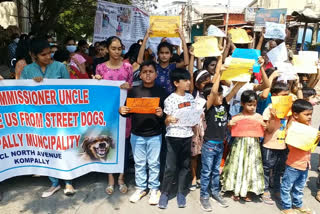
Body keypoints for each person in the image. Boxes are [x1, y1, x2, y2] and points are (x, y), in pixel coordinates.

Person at [20, 39, 73, 197]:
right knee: (48, 148)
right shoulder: (28, 71)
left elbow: (70, 90)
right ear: (34, 56)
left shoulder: (60, 67)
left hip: (60, 115)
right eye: (43, 54)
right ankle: (54, 182)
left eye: (49, 53)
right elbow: (20, 93)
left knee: (64, 146)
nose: (48, 57)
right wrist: (32, 84)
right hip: (39, 118)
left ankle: (69, 181)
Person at [199, 58, 247, 211]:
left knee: (215, 170)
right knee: (206, 171)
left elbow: (236, 88)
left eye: (221, 94)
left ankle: (214, 192)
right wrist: (219, 73)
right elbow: (213, 91)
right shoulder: (208, 107)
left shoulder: (224, 104)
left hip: (220, 143)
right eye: (218, 95)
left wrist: (245, 74)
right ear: (209, 98)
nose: (220, 96)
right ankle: (204, 196)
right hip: (209, 145)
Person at [119, 61, 166, 205]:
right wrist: (122, 111)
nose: (147, 74)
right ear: (140, 74)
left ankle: (154, 188)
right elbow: (127, 111)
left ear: (156, 74)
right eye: (144, 71)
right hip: (136, 134)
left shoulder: (161, 92)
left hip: (155, 134)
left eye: (151, 71)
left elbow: (167, 116)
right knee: (139, 163)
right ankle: (140, 188)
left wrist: (161, 114)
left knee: (153, 163)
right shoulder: (134, 91)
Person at [94, 36, 133, 195]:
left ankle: (121, 178)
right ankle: (110, 177)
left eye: (119, 48)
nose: (117, 52)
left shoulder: (128, 67)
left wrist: (128, 87)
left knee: (123, 145)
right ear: (107, 49)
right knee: (108, 144)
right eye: (113, 48)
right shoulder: (100, 68)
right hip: (108, 114)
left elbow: (131, 88)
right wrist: (96, 81)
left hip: (125, 112)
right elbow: (97, 92)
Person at [158, 68, 194, 209]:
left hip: (187, 136)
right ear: (176, 83)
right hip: (173, 137)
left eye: (188, 79)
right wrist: (170, 119)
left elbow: (193, 116)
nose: (188, 82)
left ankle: (181, 193)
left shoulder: (190, 98)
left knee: (185, 166)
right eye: (185, 80)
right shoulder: (170, 99)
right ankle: (165, 193)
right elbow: (166, 120)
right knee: (170, 167)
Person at [222, 90, 265, 202]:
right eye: (249, 104)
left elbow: (265, 128)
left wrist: (265, 124)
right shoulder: (237, 117)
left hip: (253, 146)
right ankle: (235, 189)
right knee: (238, 165)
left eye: (254, 105)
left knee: (250, 166)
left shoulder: (259, 117)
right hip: (239, 145)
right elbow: (230, 128)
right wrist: (229, 125)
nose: (252, 107)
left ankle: (247, 190)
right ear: (242, 103)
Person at [280, 99, 316, 214]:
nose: (309, 117)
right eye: (306, 114)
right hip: (293, 164)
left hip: (305, 164)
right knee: (287, 186)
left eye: (310, 114)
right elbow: (292, 142)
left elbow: (311, 144)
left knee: (299, 188)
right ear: (295, 115)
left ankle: (298, 205)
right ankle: (286, 207)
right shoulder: (293, 127)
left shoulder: (307, 126)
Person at [260, 82, 290, 205]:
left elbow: (289, 125)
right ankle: (265, 189)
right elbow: (269, 130)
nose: (286, 98)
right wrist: (273, 117)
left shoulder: (289, 108)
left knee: (279, 169)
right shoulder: (269, 109)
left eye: (287, 95)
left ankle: (276, 188)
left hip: (283, 145)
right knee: (267, 168)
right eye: (283, 95)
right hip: (269, 144)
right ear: (275, 95)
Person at [137, 26, 189, 95]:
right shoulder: (154, 66)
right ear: (158, 54)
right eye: (162, 53)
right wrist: (146, 38)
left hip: (171, 101)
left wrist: (182, 38)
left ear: (171, 55)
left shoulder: (173, 66)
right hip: (155, 99)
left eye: (167, 53)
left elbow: (186, 62)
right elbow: (139, 61)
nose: (164, 55)